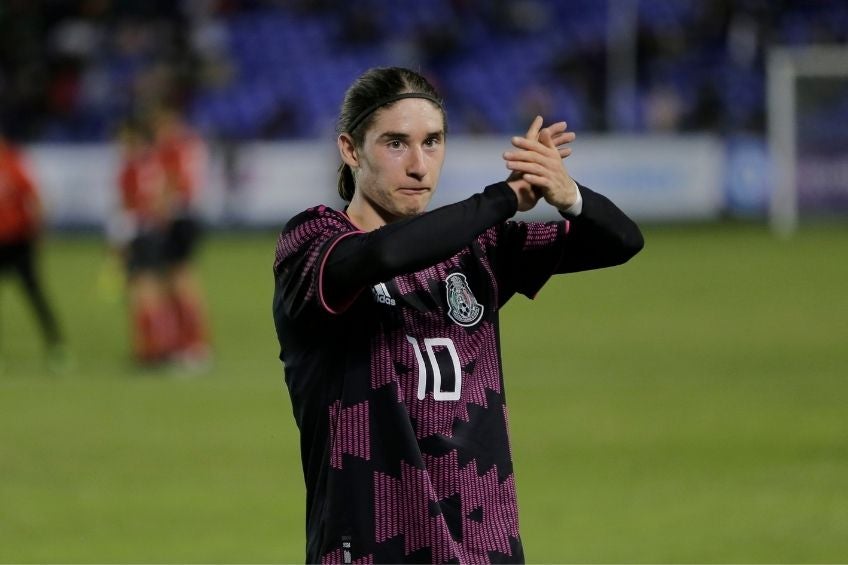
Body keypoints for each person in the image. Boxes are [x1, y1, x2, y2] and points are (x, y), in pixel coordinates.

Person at [272, 67, 643, 564]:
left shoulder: (478, 250)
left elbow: (621, 241)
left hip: (482, 544)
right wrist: (504, 198)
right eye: (396, 143)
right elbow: (381, 256)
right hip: (371, 544)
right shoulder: (311, 244)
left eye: (433, 142)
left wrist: (568, 194)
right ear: (350, 149)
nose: (419, 166)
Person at [0, 132, 66, 371]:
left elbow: (34, 198)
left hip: (18, 242)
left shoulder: (12, 162)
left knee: (35, 294)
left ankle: (56, 346)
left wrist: (39, 230)